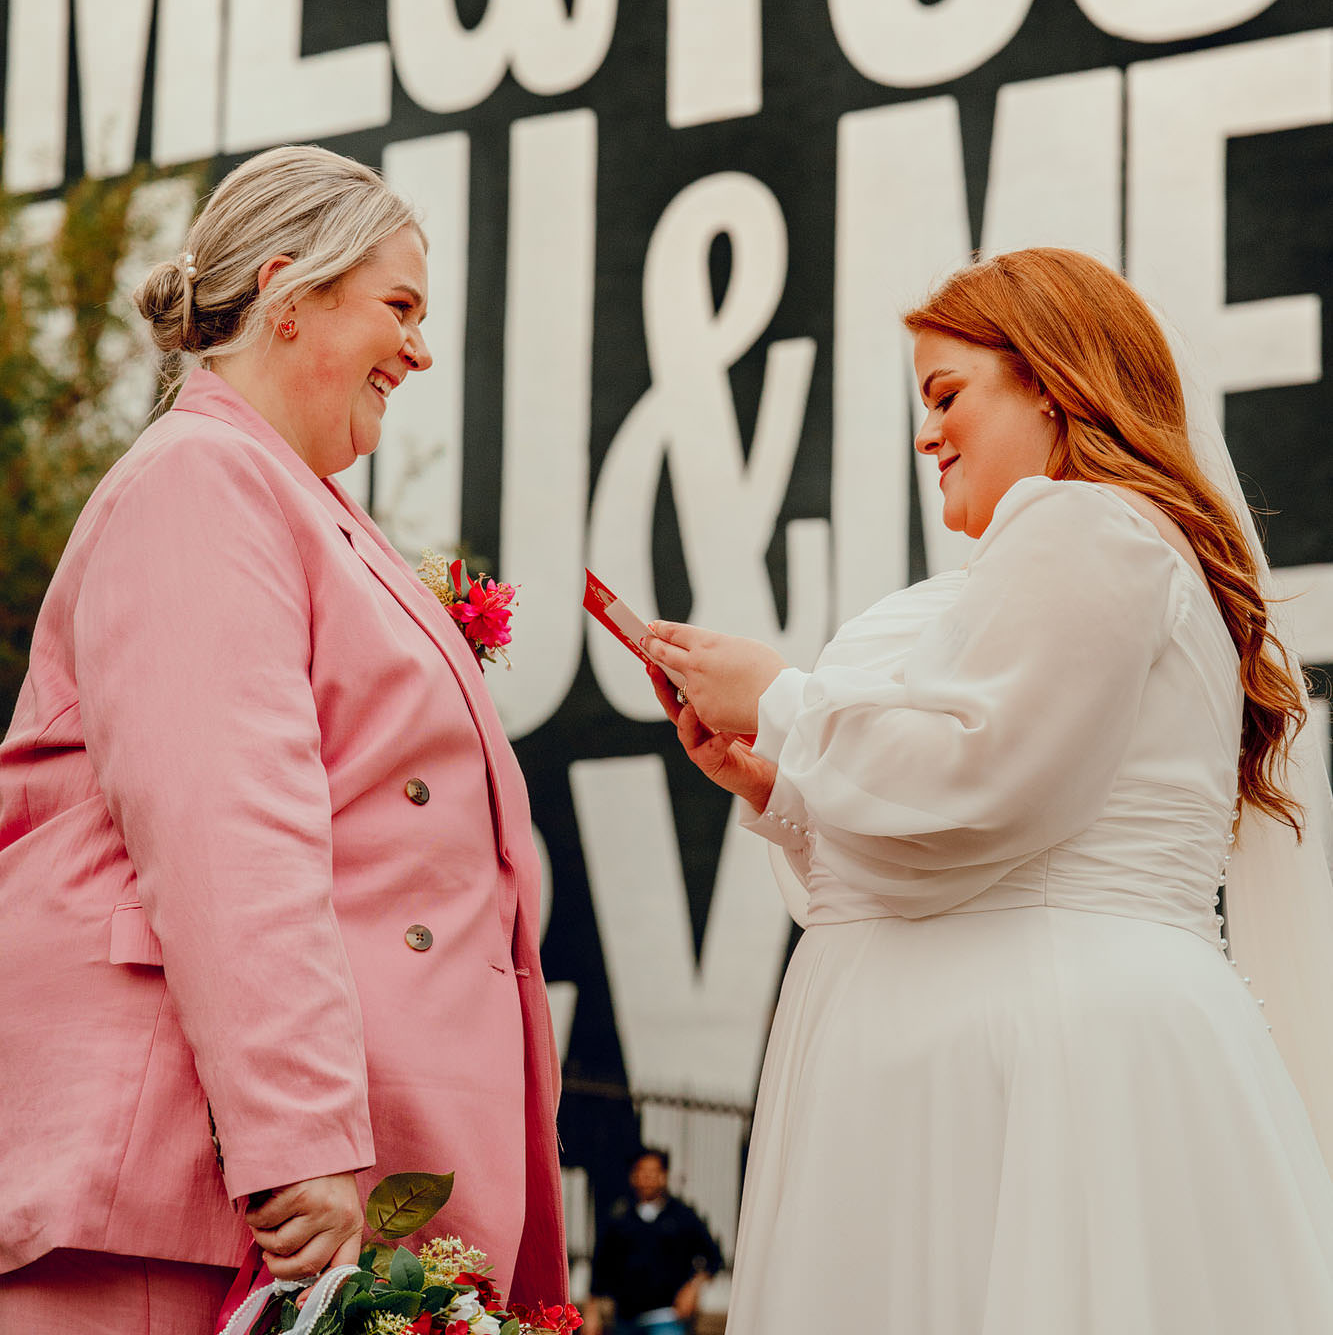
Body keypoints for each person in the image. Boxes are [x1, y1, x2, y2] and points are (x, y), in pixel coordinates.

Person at [642, 247, 1333, 1333]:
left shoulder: (1086, 525)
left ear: (1053, 385)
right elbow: (979, 831)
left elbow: (990, 775)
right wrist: (783, 786)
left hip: (1040, 1066)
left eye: (946, 394)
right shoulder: (1080, 552)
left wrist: (780, 699)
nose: (926, 434)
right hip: (1024, 1050)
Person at [0, 145, 565, 1334]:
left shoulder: (278, 491)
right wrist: (299, 1134)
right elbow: (226, 826)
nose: (420, 348)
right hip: (182, 1196)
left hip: (245, 1190)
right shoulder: (202, 476)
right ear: (288, 290)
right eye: (399, 305)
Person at [585, 1149, 720, 1335]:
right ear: (632, 1176)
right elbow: (600, 1265)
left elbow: (713, 1257)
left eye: (652, 1172)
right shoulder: (619, 1216)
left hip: (668, 1318)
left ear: (664, 1176)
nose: (646, 1178)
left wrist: (693, 1287)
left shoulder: (682, 1216)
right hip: (625, 1319)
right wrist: (592, 1311)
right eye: (641, 1171)